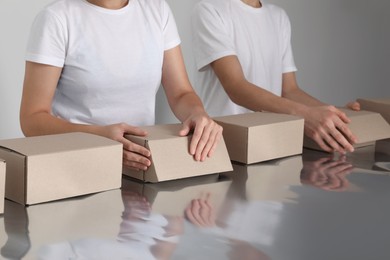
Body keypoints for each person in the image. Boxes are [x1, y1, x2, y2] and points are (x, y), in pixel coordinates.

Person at [20, 0, 223, 172]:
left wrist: (197, 113)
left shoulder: (157, 9)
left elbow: (181, 93)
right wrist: (100, 137)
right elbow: (32, 119)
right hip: (77, 168)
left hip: (142, 167)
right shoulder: (57, 18)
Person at [191, 0, 360, 154]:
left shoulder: (278, 16)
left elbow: (289, 90)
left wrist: (334, 113)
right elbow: (236, 87)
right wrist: (305, 114)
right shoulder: (210, 9)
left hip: (270, 140)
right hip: (224, 143)